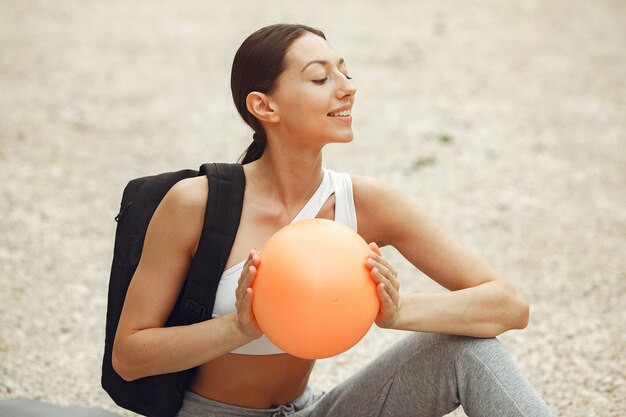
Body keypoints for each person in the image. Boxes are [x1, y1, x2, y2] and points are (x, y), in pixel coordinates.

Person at [112, 24, 553, 417]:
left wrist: (396, 311)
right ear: (264, 106)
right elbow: (129, 355)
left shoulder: (364, 202)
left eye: (345, 72)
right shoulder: (196, 204)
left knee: (468, 352)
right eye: (321, 78)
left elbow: (509, 307)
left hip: (308, 409)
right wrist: (238, 327)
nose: (346, 88)